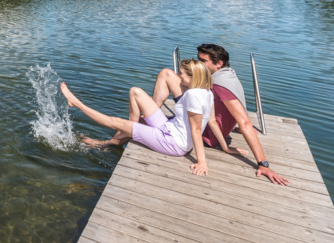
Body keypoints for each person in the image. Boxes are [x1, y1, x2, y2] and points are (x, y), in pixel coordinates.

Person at [60, 59, 231, 176]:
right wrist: (226, 148)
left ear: (193, 77)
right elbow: (212, 121)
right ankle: (124, 135)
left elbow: (195, 129)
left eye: (182, 74)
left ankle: (76, 103)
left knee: (115, 122)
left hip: (173, 143)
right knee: (136, 92)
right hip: (169, 128)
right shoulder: (207, 91)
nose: (179, 77)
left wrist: (202, 161)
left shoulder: (194, 95)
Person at [196, 43, 289, 186]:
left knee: (166, 75)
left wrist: (263, 164)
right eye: (198, 60)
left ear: (219, 63)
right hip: (211, 127)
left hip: (208, 135)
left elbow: (245, 123)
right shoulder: (228, 74)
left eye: (203, 61)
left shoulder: (220, 84)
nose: (198, 64)